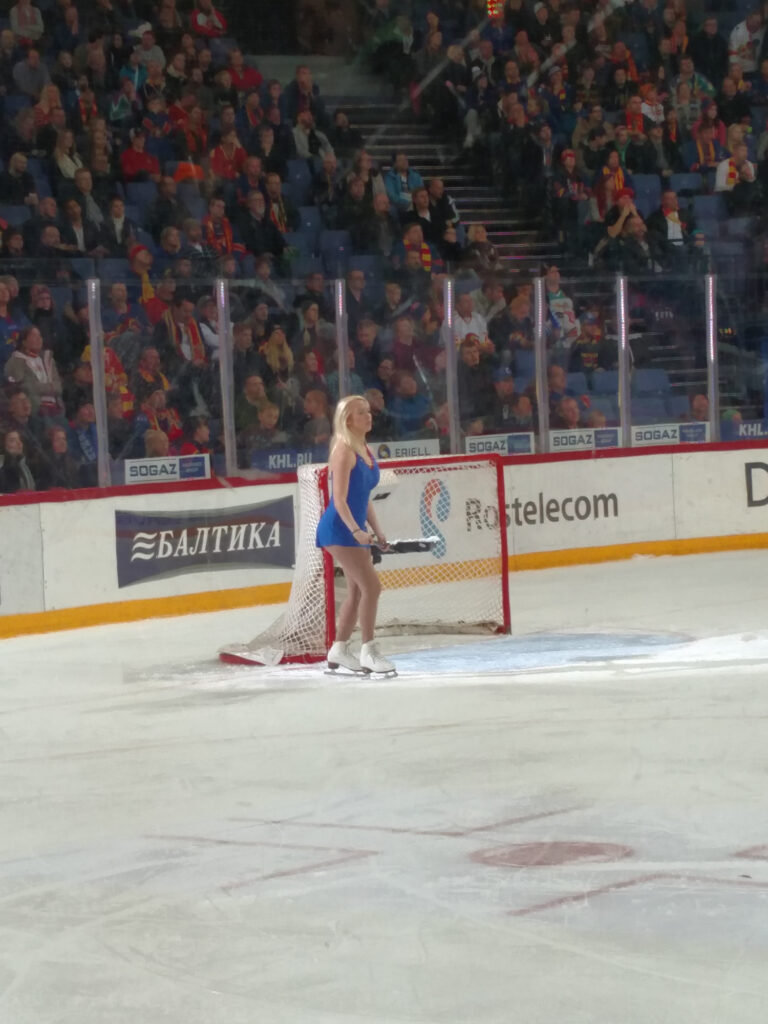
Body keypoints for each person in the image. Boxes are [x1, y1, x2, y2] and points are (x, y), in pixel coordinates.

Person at [315, 394, 395, 675]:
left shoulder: (364, 449)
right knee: (372, 587)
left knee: (358, 591)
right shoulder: (343, 451)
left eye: (368, 411)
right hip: (339, 530)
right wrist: (356, 530)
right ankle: (368, 651)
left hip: (354, 529)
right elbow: (338, 500)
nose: (368, 416)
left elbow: (363, 496)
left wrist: (377, 530)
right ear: (348, 419)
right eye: (361, 412)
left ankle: (338, 649)